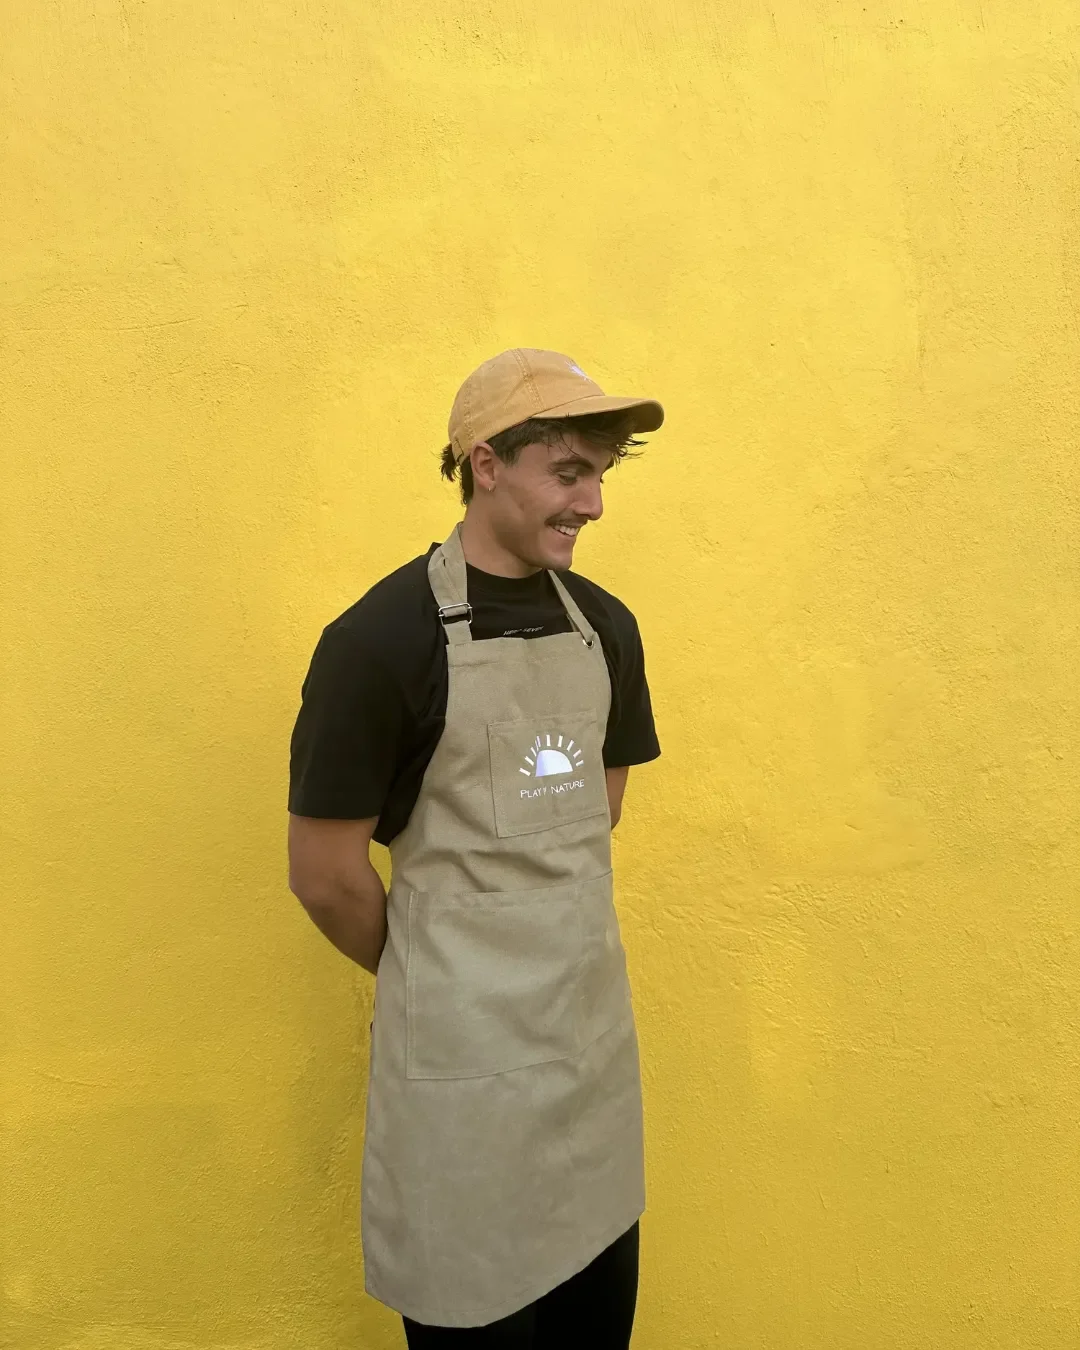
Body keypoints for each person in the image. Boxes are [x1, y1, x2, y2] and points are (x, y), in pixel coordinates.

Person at [287, 348, 665, 1347]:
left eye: (600, 475)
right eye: (569, 472)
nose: (592, 503)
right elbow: (325, 877)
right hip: (460, 1081)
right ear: (486, 464)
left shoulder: (607, 631)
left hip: (586, 1061)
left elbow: (595, 811)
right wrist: (444, 973)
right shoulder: (380, 642)